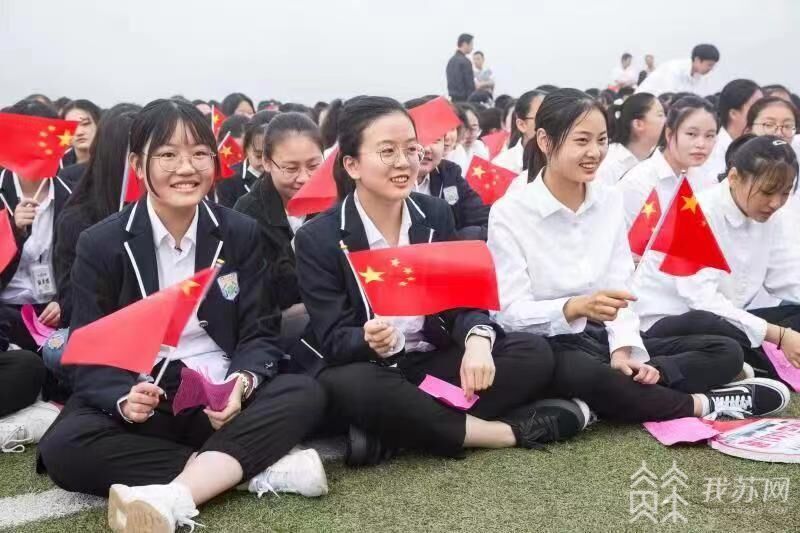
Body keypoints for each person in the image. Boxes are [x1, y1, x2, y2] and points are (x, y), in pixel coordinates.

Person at [37, 99, 328, 533]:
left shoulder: (239, 231)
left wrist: (240, 382)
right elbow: (89, 349)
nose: (186, 168)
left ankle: (179, 492)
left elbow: (260, 330)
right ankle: (251, 471)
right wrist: (123, 399)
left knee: (303, 392)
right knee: (64, 448)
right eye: (168, 155)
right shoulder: (101, 242)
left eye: (199, 154)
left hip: (220, 394)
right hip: (148, 391)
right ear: (138, 164)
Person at [293, 95, 588, 466]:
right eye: (387, 151)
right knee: (348, 385)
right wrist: (368, 339)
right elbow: (335, 339)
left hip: (429, 362)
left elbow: (462, 303)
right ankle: (504, 433)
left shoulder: (434, 214)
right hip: (372, 369)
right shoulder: (318, 237)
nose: (404, 162)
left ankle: (396, 432)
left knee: (531, 353)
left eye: (410, 148)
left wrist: (477, 341)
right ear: (351, 164)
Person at [488, 88, 790, 424]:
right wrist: (573, 307)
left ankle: (628, 389)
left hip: (604, 336)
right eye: (582, 141)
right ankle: (701, 404)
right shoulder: (511, 212)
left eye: (602, 140)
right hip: (554, 342)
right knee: (581, 373)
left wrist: (623, 349)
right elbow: (508, 314)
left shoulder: (608, 200)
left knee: (726, 349)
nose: (594, 152)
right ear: (545, 141)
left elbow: (621, 291)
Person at [632, 135, 800, 387]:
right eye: (767, 192)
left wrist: (779, 333)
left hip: (726, 320)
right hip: (667, 325)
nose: (775, 202)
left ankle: (748, 369)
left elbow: (785, 277)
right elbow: (701, 300)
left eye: (785, 193)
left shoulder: (770, 215)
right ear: (734, 177)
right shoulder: (695, 211)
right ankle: (740, 368)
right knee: (719, 334)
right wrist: (779, 335)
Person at [44, 105, 143, 388]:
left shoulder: (166, 210)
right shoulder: (78, 219)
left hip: (162, 331)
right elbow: (72, 303)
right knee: (57, 349)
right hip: (101, 330)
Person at [234, 112, 324, 343]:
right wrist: (300, 245)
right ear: (266, 162)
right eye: (291, 168)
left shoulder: (335, 202)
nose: (304, 178)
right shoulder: (247, 214)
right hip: (277, 326)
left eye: (314, 166)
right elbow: (266, 295)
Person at [0, 99, 73, 352]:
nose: (35, 149)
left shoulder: (71, 198)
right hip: (5, 309)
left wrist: (64, 301)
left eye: (43, 140)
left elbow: (81, 266)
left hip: (50, 312)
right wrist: (12, 230)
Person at [617, 96, 720, 232]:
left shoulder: (708, 181)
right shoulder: (637, 183)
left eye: (710, 136)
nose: (701, 144)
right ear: (669, 134)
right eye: (691, 134)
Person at [406, 96, 490, 240]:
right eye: (419, 140)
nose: (427, 149)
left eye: (436, 140)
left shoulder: (449, 174)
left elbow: (483, 218)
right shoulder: (383, 182)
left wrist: (455, 241)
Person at [696, 80, 763, 181]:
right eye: (757, 107)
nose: (763, 112)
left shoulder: (758, 147)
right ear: (733, 113)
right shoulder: (712, 149)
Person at [596, 93, 665, 185]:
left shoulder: (657, 158)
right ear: (638, 124)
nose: (666, 120)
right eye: (660, 115)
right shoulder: (609, 162)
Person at [215, 111, 273, 208]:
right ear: (246, 149)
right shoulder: (229, 180)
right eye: (258, 156)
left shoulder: (291, 176)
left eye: (272, 156)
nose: (265, 162)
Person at [494, 90, 547, 174]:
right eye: (541, 118)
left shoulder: (561, 160)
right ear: (521, 125)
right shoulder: (502, 166)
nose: (549, 125)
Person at [637, 44, 720, 96]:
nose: (711, 69)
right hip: (643, 107)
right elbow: (668, 98)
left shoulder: (700, 76)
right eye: (709, 65)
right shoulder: (674, 69)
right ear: (697, 60)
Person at [60, 99, 102, 168]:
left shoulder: (114, 160)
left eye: (85, 124)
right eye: (71, 127)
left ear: (98, 124)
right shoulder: (56, 165)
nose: (79, 132)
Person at [445, 103, 488, 169]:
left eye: (474, 127)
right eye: (466, 128)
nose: (470, 134)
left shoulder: (480, 148)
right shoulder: (447, 151)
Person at [446, 33, 476, 102]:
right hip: (465, 101)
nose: (472, 48)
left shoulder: (451, 61)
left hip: (453, 101)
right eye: (471, 44)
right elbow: (470, 85)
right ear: (465, 44)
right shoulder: (465, 61)